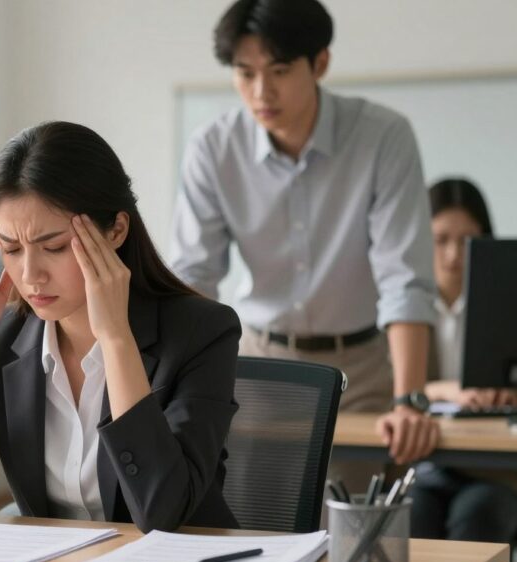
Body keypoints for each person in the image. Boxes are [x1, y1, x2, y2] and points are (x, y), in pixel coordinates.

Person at [0, 121, 241, 532]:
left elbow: (163, 513)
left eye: (54, 247)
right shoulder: (0, 342)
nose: (31, 274)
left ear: (116, 230)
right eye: (12, 249)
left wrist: (116, 340)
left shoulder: (203, 332)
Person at [169, 0, 439, 475]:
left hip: (360, 369)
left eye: (278, 70)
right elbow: (195, 278)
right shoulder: (213, 149)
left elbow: (406, 278)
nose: (260, 92)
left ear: (320, 63)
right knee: (254, 528)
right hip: (256, 363)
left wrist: (410, 400)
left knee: (353, 527)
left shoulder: (382, 137)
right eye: (244, 73)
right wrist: (179, 384)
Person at [410, 178, 517, 543]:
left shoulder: (512, 306)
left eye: (466, 241)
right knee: (410, 519)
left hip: (495, 471)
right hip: (422, 466)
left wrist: (515, 395)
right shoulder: (405, 313)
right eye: (440, 239)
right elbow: (389, 385)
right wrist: (451, 392)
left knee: (475, 518)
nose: (452, 255)